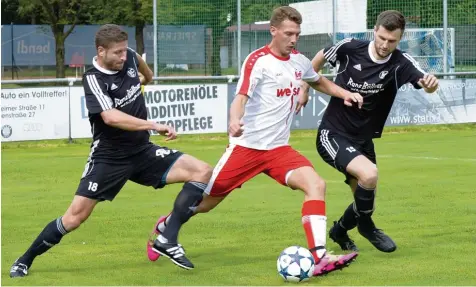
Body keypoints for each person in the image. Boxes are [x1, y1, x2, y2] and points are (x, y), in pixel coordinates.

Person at [147, 6, 363, 276]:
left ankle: (318, 256)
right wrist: (234, 120)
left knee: (316, 185)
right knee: (205, 203)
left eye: (297, 33)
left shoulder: (299, 60)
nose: (294, 39)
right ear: (273, 31)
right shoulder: (257, 60)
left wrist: (344, 93)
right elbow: (240, 98)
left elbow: (318, 81)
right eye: (288, 33)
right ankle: (168, 225)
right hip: (246, 149)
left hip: (279, 151)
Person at [9, 24, 212, 278]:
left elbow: (147, 74)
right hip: (109, 158)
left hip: (142, 151)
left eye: (125, 51)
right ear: (101, 51)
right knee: (74, 218)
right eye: (117, 53)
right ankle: (24, 259)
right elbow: (111, 117)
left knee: (203, 172)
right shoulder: (93, 78)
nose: (123, 57)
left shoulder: (130, 58)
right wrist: (153, 124)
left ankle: (166, 236)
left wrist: (142, 80)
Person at [301, 10, 439, 253]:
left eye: (392, 41)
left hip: (363, 140)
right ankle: (366, 227)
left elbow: (424, 81)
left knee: (365, 201)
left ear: (400, 38)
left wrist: (431, 85)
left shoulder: (401, 63)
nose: (385, 45)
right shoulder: (349, 48)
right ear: (375, 30)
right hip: (333, 133)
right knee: (370, 174)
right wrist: (304, 87)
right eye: (382, 38)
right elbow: (319, 58)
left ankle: (340, 231)